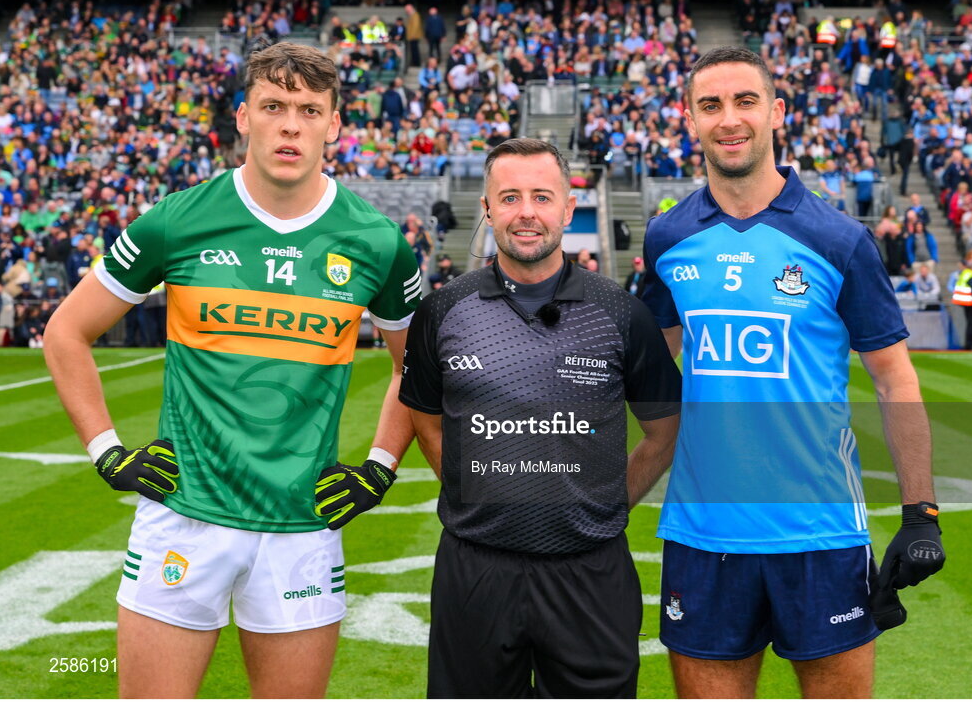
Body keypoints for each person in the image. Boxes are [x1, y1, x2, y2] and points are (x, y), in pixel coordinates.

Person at [43, 43, 423, 698]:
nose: (290, 125)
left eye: (309, 109)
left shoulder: (377, 242)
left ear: (334, 125)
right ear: (243, 116)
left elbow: (414, 370)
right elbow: (66, 332)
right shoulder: (177, 219)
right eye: (274, 106)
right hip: (183, 517)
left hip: (303, 526)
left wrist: (380, 469)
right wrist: (107, 453)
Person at [641, 48, 945, 698]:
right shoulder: (667, 239)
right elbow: (641, 370)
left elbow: (896, 380)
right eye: (711, 105)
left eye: (745, 101)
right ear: (689, 120)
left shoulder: (839, 240)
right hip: (703, 536)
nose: (730, 119)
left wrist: (920, 511)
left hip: (820, 533)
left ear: (777, 112)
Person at [399, 138, 681, 698]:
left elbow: (663, 431)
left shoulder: (622, 313)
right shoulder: (442, 309)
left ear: (567, 209)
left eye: (541, 196)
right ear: (486, 208)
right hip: (475, 570)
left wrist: (604, 503)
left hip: (590, 571)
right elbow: (426, 421)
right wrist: (472, 492)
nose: (526, 211)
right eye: (509, 197)